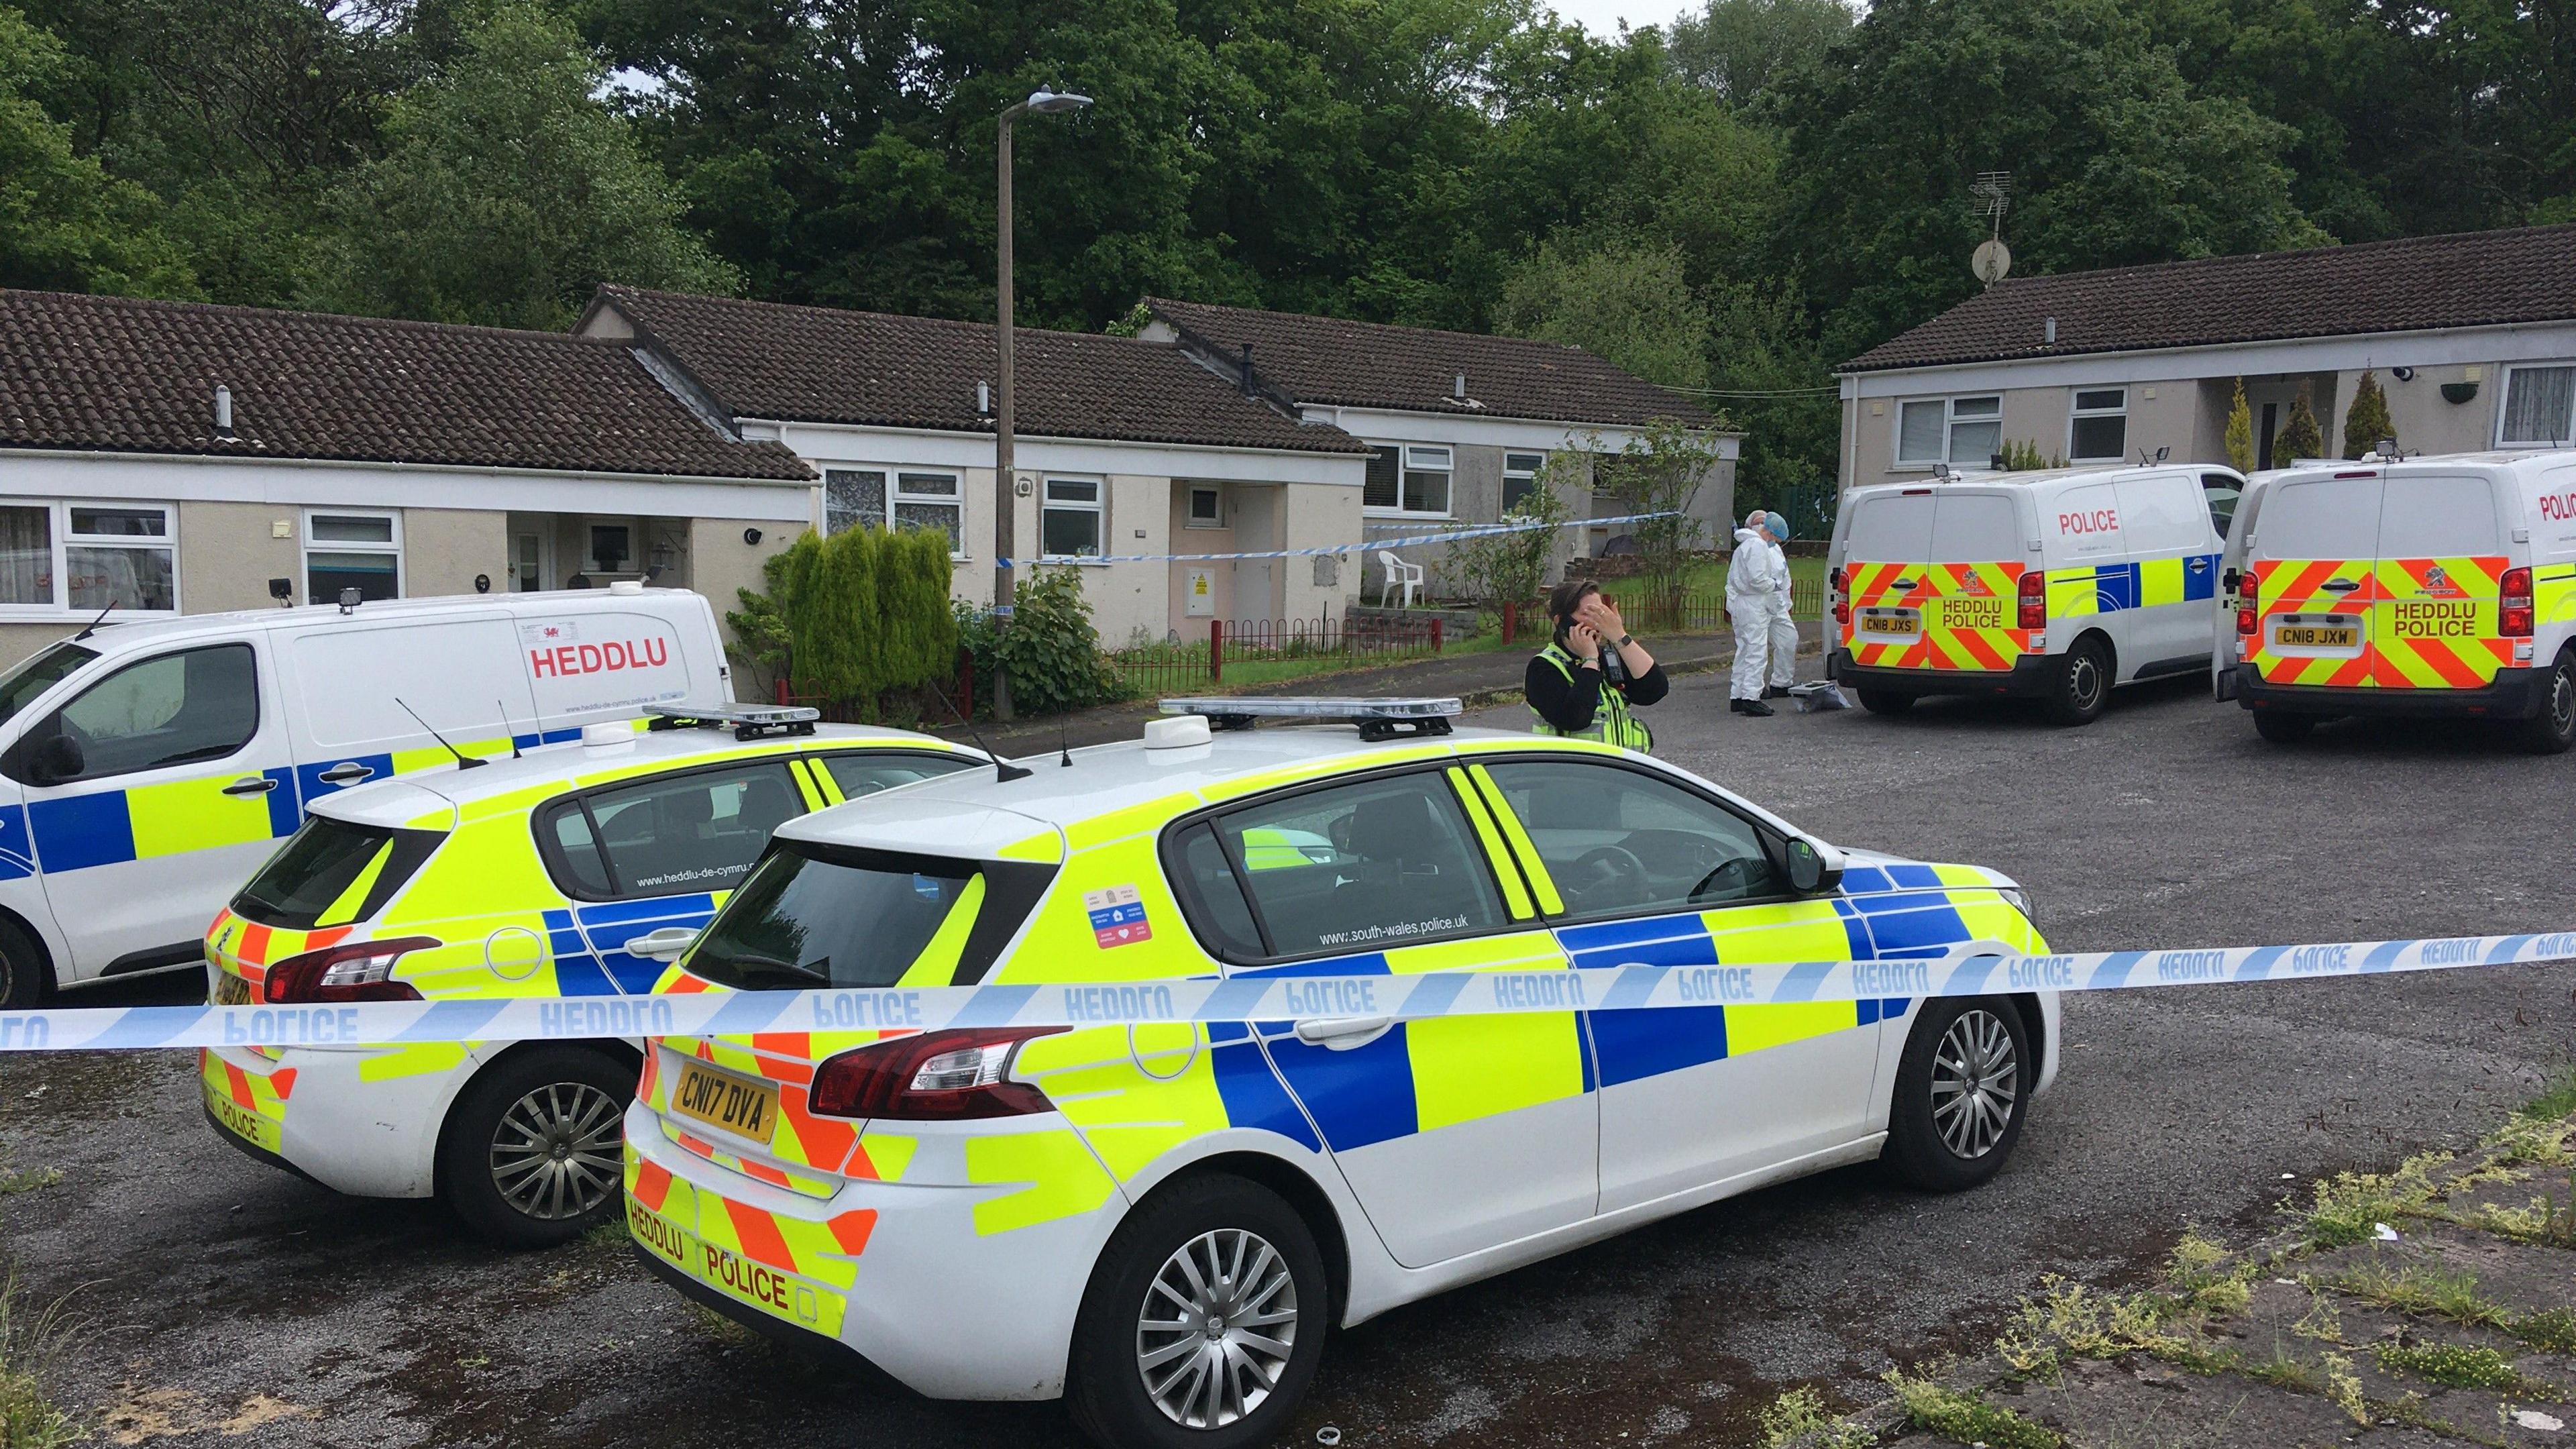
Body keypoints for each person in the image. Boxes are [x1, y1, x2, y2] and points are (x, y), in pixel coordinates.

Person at [1527, 578, 1666, 751]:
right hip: (1571, 773)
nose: (1596, 622)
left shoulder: (1608, 658)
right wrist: (1590, 660)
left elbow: (1654, 690)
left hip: (1619, 771)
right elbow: (1575, 718)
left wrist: (1620, 636)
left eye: (1600, 613)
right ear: (1560, 620)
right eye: (1587, 614)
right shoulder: (1543, 668)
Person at [1726, 510, 1790, 715]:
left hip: (1741, 603)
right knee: (1756, 652)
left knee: (1744, 650)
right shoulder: (1757, 546)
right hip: (1753, 605)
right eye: (1775, 538)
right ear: (1769, 532)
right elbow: (1758, 579)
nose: (1774, 543)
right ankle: (1751, 698)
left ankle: (1737, 696)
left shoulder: (1745, 545)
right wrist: (1774, 584)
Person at [1758, 510, 1801, 702]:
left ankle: (1782, 684)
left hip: (1776, 605)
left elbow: (1785, 577)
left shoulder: (1775, 549)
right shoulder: (1752, 548)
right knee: (1755, 649)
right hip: (1757, 605)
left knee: (1789, 639)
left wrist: (1785, 603)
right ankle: (1753, 688)